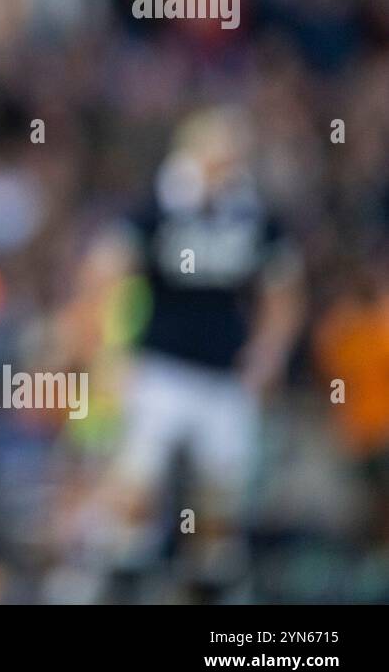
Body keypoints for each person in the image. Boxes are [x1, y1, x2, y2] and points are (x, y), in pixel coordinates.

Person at [82, 106, 305, 603]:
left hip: (224, 372)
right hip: (160, 364)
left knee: (221, 494)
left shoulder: (252, 214)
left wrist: (268, 352)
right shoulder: (156, 207)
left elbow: (284, 288)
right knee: (136, 483)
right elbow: (106, 272)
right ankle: (118, 579)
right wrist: (110, 351)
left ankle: (212, 589)